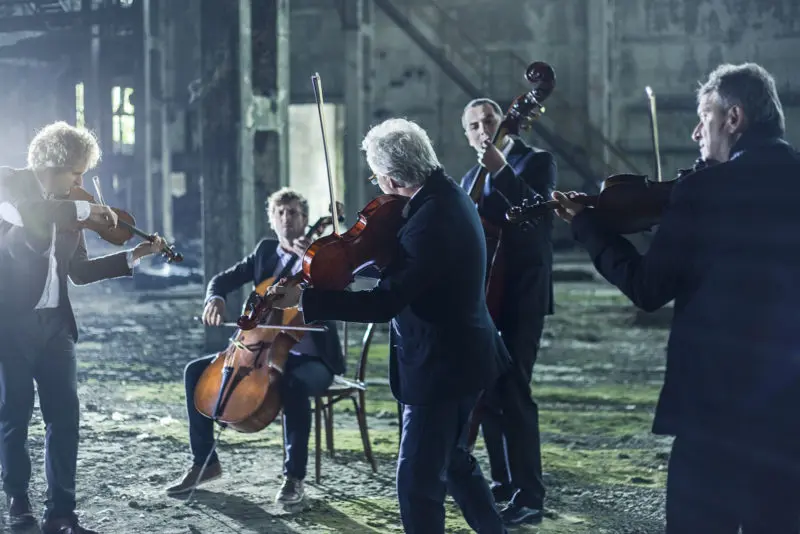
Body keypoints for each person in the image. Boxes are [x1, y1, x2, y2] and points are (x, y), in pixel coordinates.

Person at [552, 62, 800, 532]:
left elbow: (647, 288)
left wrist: (588, 226)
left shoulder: (704, 189)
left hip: (714, 410)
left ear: (733, 118)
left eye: (704, 118)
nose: (695, 133)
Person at [269, 118, 510, 533]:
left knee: (416, 483)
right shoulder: (443, 196)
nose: (377, 185)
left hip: (443, 366)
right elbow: (410, 274)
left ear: (392, 177)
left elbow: (385, 303)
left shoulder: (431, 219)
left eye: (376, 176)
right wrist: (350, 266)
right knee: (454, 462)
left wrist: (306, 299)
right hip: (463, 356)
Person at [0, 121, 167, 533]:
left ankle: (61, 514)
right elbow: (31, 217)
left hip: (56, 327)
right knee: (14, 415)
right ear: (52, 164)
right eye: (76, 174)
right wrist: (86, 211)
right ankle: (17, 501)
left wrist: (134, 255)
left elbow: (79, 272)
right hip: (11, 324)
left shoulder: (71, 205)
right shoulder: (10, 184)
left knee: (64, 419)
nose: (80, 185)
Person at [165, 187, 345, 505]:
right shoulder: (265, 251)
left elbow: (340, 292)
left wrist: (315, 264)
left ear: (305, 219)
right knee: (195, 371)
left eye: (293, 213)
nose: (286, 218)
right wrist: (214, 298)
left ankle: (294, 478)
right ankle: (204, 462)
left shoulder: (321, 257)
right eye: (280, 213)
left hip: (311, 358)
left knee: (293, 385)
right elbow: (222, 280)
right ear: (271, 220)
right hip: (258, 350)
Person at [459, 97, 556, 523]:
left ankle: (530, 496)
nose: (484, 129)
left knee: (514, 390)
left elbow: (538, 218)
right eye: (474, 125)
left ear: (505, 122)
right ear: (467, 136)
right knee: (489, 389)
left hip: (522, 294)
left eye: (490, 120)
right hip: (484, 297)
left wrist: (501, 169)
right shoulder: (468, 178)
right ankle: (503, 482)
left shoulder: (536, 162)